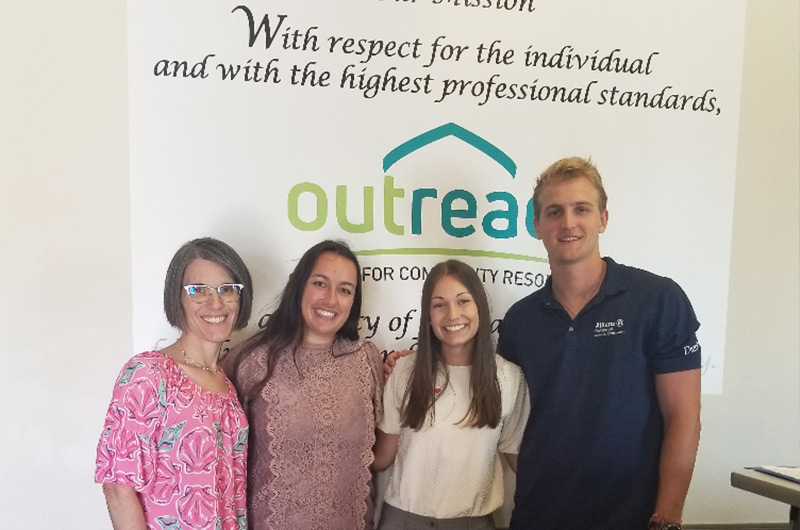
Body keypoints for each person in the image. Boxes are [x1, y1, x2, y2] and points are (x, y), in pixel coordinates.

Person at [497, 157, 702, 530]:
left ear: (603, 219)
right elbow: (502, 416)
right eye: (554, 211)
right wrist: (408, 365)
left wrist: (668, 518)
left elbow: (684, 417)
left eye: (582, 209)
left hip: (634, 518)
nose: (569, 222)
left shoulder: (657, 299)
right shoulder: (519, 321)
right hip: (538, 516)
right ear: (536, 226)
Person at [223, 240, 384, 530]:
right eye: (320, 283)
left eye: (345, 290)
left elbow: (382, 452)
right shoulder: (251, 360)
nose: (331, 300)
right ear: (298, 285)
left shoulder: (367, 360)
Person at [95, 237, 254, 530]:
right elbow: (118, 486)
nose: (216, 302)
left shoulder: (226, 383)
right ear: (176, 298)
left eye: (227, 289)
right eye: (198, 290)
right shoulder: (148, 373)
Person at [373, 260, 530, 530]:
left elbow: (520, 462)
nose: (452, 314)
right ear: (428, 315)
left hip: (474, 522)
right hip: (402, 520)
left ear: (479, 305)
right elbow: (381, 458)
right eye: (439, 304)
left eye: (463, 301)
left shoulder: (509, 378)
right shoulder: (404, 371)